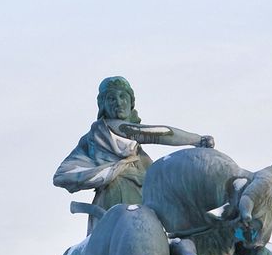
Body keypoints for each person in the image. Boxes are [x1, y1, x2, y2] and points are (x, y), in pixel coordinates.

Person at [53, 76, 214, 222]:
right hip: (119, 195)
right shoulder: (113, 129)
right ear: (103, 105)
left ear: (131, 102)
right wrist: (197, 139)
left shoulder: (95, 137)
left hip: (129, 195)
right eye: (111, 98)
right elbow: (160, 133)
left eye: (123, 96)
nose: (118, 101)